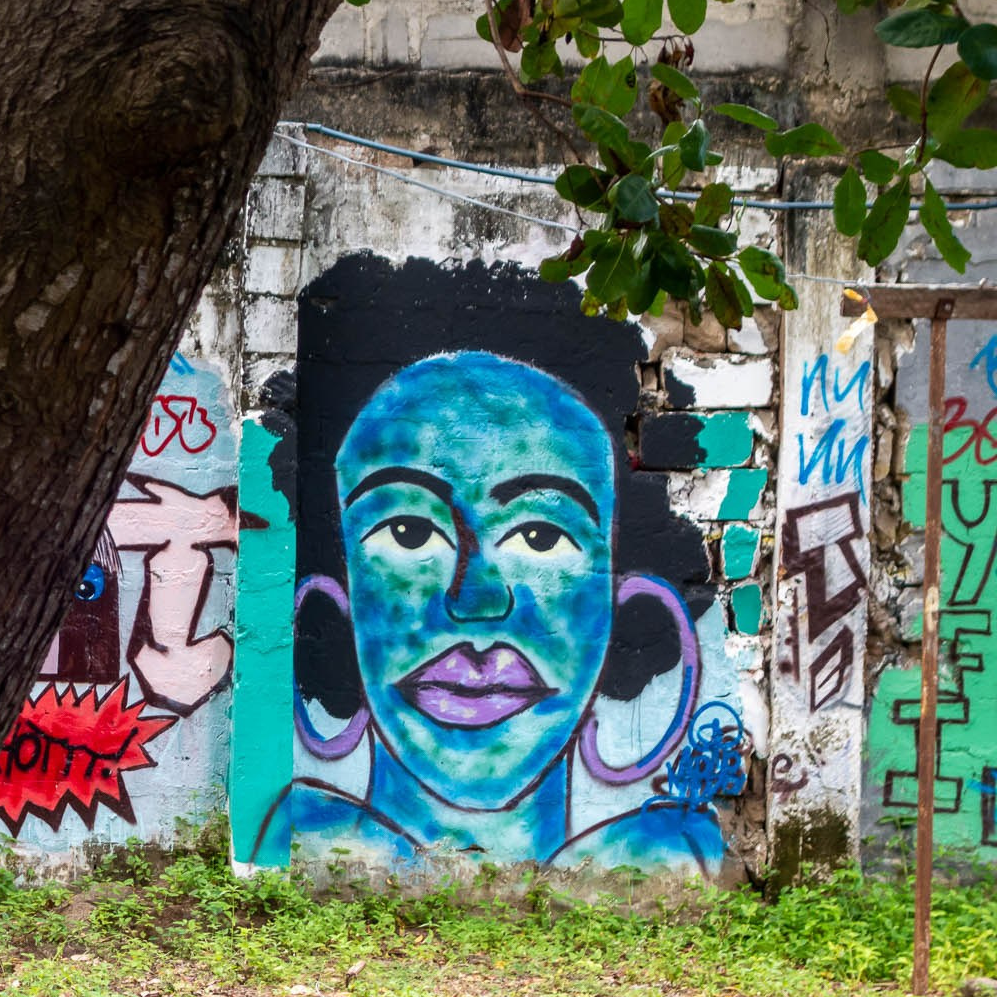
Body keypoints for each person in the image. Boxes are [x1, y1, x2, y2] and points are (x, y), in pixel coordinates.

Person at [266, 351, 712, 870]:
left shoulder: (676, 854)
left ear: (630, 615)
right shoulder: (279, 836)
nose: (476, 600)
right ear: (330, 609)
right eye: (409, 532)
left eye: (540, 536)